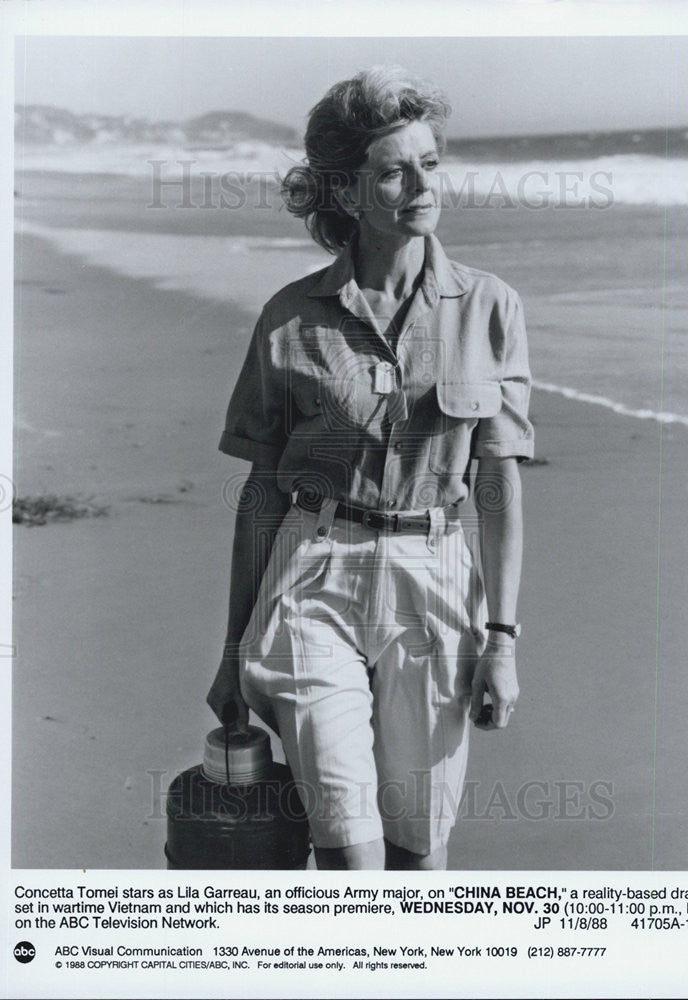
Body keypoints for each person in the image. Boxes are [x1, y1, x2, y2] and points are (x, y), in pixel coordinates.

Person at [207, 66, 534, 871]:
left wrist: (502, 639)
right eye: (394, 169)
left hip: (435, 580)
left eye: (430, 162)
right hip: (314, 577)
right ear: (347, 194)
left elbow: (497, 485)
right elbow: (260, 494)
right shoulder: (288, 318)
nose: (423, 184)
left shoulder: (491, 307)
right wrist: (228, 649)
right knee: (352, 862)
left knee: (416, 856)